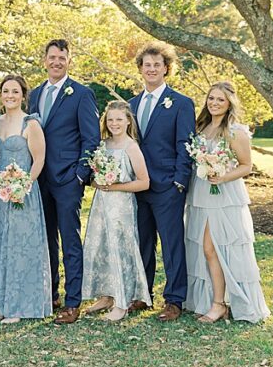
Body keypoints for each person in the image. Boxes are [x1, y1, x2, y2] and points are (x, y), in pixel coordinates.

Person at [183, 82, 270, 323]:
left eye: (220, 99)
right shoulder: (201, 128)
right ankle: (210, 299)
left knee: (214, 248)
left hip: (224, 196)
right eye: (211, 98)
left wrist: (222, 176)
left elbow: (246, 166)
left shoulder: (235, 131)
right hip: (201, 193)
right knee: (204, 249)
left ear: (229, 103)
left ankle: (219, 304)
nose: (214, 103)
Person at [27, 39, 100, 325]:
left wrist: (80, 174)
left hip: (68, 178)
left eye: (62, 58)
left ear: (69, 61)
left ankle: (72, 301)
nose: (56, 62)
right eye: (52, 57)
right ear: (44, 60)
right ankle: (51, 293)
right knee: (45, 239)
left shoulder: (81, 94)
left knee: (70, 239)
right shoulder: (35, 94)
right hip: (38, 179)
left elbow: (91, 138)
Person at [127, 42, 196, 321]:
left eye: (157, 65)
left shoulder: (180, 103)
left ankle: (174, 299)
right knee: (142, 242)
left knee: (171, 244)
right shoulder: (131, 104)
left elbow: (185, 145)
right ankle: (143, 295)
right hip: (138, 186)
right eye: (147, 65)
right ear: (140, 69)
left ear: (166, 69)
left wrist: (180, 181)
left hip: (168, 186)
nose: (152, 69)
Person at [0, 75, 54, 323]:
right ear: (0, 95)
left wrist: (23, 186)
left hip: (23, 194)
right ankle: (4, 303)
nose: (10, 95)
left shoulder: (30, 123)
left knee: (21, 247)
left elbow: (39, 159)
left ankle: (20, 306)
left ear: (23, 96)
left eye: (15, 91)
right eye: (6, 91)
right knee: (0, 244)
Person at [81, 101, 152, 322]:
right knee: (101, 246)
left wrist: (115, 187)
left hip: (121, 206)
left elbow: (144, 182)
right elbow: (93, 178)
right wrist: (99, 182)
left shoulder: (131, 147)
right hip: (101, 203)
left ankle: (122, 303)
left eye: (119, 119)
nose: (114, 123)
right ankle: (106, 296)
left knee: (119, 249)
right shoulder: (102, 145)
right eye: (110, 119)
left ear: (128, 121)